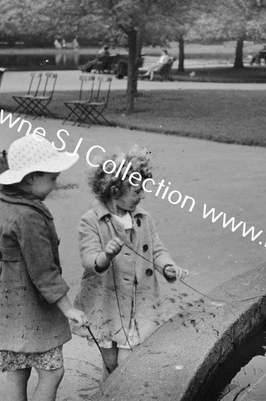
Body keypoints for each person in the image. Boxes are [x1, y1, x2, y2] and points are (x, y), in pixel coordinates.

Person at [0, 134, 88, 401]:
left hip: (5, 308)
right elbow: (44, 272)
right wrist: (68, 309)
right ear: (31, 178)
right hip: (30, 309)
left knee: (17, 371)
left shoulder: (5, 203)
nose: (56, 183)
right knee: (52, 372)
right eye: (52, 178)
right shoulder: (29, 216)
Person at [74, 147, 189, 380]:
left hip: (137, 304)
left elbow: (157, 249)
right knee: (110, 362)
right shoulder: (91, 220)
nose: (141, 196)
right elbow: (89, 259)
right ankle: (107, 396)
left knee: (128, 362)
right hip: (106, 303)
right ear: (115, 190)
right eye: (136, 191)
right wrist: (105, 255)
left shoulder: (143, 218)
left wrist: (167, 266)